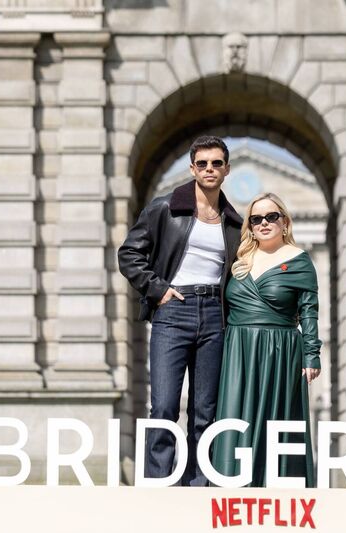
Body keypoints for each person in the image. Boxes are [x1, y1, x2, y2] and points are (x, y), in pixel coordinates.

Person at [117, 136, 243, 486]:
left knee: (206, 411)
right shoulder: (165, 208)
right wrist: (158, 290)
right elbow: (129, 254)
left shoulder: (234, 222)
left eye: (216, 163)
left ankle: (200, 484)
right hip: (175, 311)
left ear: (226, 169)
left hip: (215, 316)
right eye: (202, 164)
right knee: (165, 407)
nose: (209, 169)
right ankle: (159, 483)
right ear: (192, 169)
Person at [211, 192, 322, 487]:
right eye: (256, 219)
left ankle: (278, 495)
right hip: (238, 351)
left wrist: (312, 354)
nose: (264, 223)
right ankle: (231, 495)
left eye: (271, 217)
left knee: (277, 422)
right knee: (235, 420)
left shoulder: (300, 261)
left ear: (284, 222)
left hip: (280, 351)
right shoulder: (239, 258)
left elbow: (309, 311)